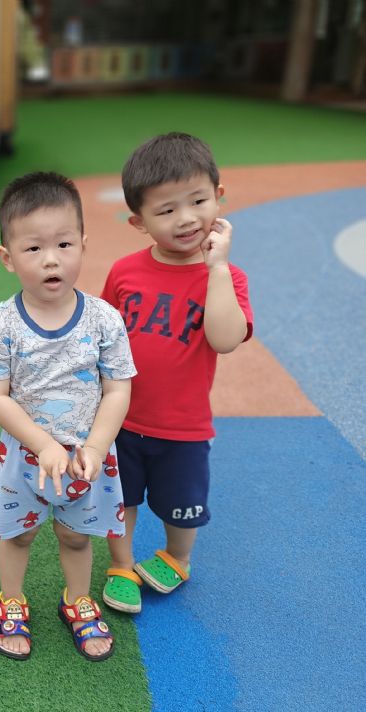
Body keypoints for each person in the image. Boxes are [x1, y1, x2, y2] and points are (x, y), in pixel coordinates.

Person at [0, 172, 136, 662]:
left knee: (76, 536)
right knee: (18, 534)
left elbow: (118, 387)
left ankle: (77, 600)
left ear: (83, 244)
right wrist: (41, 443)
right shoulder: (0, 326)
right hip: (25, 456)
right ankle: (11, 600)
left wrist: (97, 447)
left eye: (63, 244)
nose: (51, 259)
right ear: (7, 257)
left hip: (87, 456)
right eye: (34, 248)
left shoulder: (104, 319)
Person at [99, 132, 253, 615]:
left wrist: (218, 269)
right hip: (121, 419)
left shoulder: (228, 278)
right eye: (166, 210)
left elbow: (225, 339)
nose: (186, 218)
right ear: (139, 222)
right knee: (120, 500)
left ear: (219, 196)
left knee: (182, 506)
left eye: (198, 201)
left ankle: (177, 558)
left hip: (184, 427)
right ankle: (120, 564)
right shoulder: (124, 272)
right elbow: (103, 335)